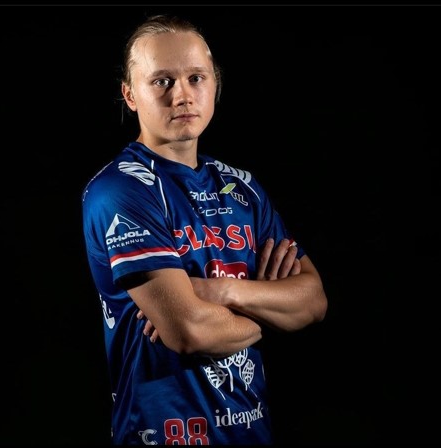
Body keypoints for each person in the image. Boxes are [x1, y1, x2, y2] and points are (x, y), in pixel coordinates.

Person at [81, 13, 328, 445]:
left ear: (215, 85)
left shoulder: (243, 188)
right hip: (162, 435)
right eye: (162, 81)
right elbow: (188, 332)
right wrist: (269, 310)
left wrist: (221, 292)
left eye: (196, 78)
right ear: (130, 94)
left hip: (253, 431)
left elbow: (312, 301)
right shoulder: (120, 190)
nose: (182, 95)